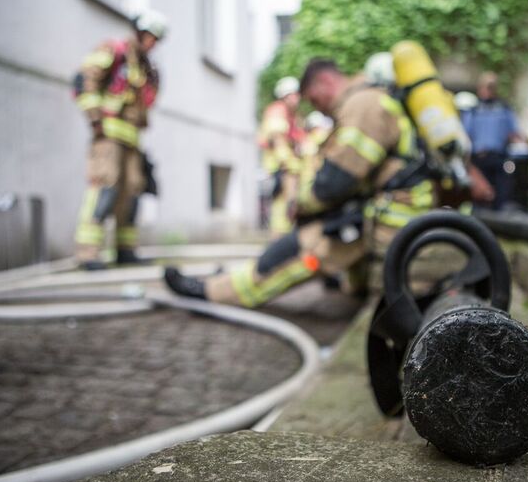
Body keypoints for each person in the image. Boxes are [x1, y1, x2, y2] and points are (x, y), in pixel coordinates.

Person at [164, 58, 437, 307]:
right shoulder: (373, 99)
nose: (314, 107)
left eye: (313, 99)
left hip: (386, 218)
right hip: (389, 212)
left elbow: (335, 182)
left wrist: (303, 205)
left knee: (292, 253)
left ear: (325, 82)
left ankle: (213, 292)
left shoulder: (363, 105)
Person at [73, 10, 167, 269]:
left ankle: (125, 250)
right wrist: (95, 119)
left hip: (132, 139)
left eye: (157, 39)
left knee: (132, 192)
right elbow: (85, 80)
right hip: (108, 137)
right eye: (151, 36)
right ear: (139, 31)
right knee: (104, 188)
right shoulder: (115, 50)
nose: (153, 43)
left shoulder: (146, 66)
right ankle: (88, 253)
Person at [461, 72, 522, 210]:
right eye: (486, 86)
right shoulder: (473, 111)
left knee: (501, 197)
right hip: (479, 160)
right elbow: (465, 136)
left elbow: (514, 133)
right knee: (480, 198)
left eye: (491, 87)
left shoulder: (504, 109)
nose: (488, 90)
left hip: (499, 159)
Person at [259, 77, 305, 236]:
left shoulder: (293, 115)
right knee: (283, 207)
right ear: (284, 96)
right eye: (293, 94)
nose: (297, 98)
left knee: (288, 207)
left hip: (288, 167)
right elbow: (279, 143)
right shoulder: (277, 112)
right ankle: (279, 240)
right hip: (280, 169)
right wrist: (294, 165)